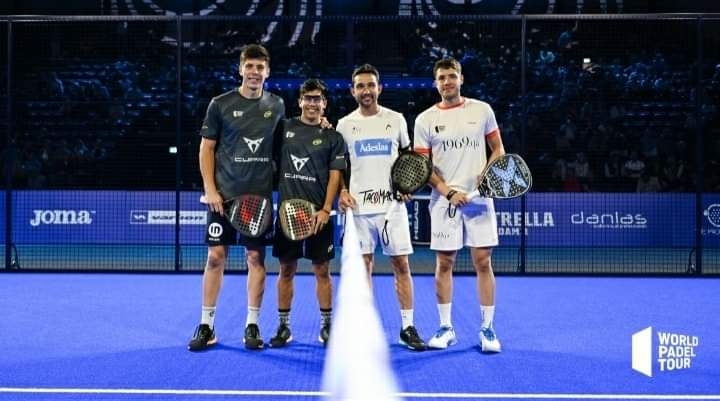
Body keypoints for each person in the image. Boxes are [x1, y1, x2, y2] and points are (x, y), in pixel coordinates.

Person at [188, 44, 285, 351]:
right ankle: (206, 325)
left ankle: (252, 325)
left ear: (268, 72)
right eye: (250, 66)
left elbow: (285, 144)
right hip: (223, 197)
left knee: (255, 258)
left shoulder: (277, 105)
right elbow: (206, 148)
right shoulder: (220, 104)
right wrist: (210, 190)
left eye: (260, 67)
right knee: (215, 257)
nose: (254, 72)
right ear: (240, 69)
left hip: (258, 200)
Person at [413, 57, 504, 353]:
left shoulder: (482, 110)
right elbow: (423, 167)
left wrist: (486, 175)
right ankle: (445, 327)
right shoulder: (425, 119)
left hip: (479, 199)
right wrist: (447, 191)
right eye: (442, 78)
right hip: (444, 201)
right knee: (445, 263)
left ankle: (488, 329)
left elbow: (498, 149)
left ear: (461, 79)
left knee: (483, 261)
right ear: (435, 83)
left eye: (452, 76)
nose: (447, 82)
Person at [336, 63, 426, 351]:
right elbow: (339, 166)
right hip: (358, 210)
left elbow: (409, 161)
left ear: (380, 88)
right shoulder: (344, 125)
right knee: (363, 269)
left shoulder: (396, 120)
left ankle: (407, 327)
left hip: (392, 208)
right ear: (352, 91)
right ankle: (364, 328)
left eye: (371, 85)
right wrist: (342, 191)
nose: (366, 90)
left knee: (402, 265)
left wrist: (407, 187)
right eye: (360, 86)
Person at [269, 78, 346, 348]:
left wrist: (326, 209)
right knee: (286, 269)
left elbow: (335, 175)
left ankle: (327, 326)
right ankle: (283, 326)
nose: (313, 103)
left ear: (325, 104)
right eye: (308, 98)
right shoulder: (284, 128)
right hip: (288, 214)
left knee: (322, 270)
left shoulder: (333, 137)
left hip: (319, 217)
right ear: (300, 101)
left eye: (318, 99)